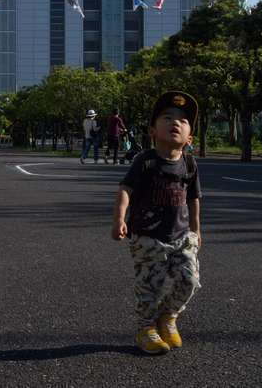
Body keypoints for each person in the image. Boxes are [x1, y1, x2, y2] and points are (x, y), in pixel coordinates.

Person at [111, 91, 203, 355]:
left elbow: (194, 198)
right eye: (167, 117)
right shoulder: (146, 161)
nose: (176, 122)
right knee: (149, 286)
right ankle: (145, 327)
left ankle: (168, 316)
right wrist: (119, 219)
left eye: (183, 121)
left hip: (182, 235)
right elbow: (125, 190)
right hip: (147, 237)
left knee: (189, 279)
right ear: (153, 130)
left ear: (190, 138)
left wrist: (196, 231)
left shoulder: (189, 163)